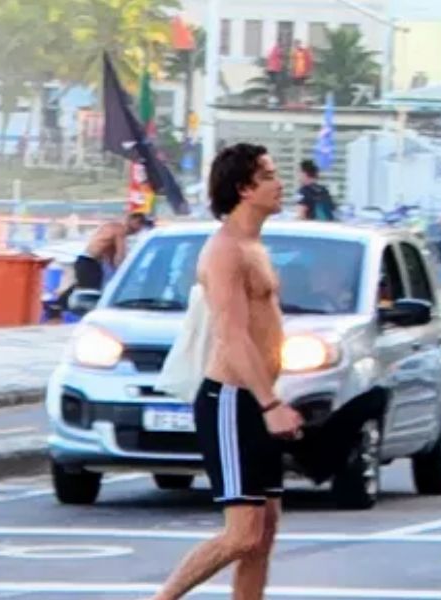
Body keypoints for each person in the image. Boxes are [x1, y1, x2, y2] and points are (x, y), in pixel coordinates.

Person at [154, 143, 305, 600]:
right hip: (231, 401)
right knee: (242, 534)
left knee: (264, 533)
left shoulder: (254, 245)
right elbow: (233, 336)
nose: (281, 184)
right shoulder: (224, 251)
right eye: (269, 176)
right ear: (243, 188)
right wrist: (271, 403)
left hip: (254, 403)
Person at [74, 212, 148, 291]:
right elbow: (120, 255)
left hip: (86, 261)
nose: (139, 229)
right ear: (132, 222)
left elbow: (112, 259)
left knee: (84, 286)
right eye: (140, 224)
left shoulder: (112, 229)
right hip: (89, 262)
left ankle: (62, 301)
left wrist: (118, 272)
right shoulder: (120, 230)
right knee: (90, 291)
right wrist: (127, 274)